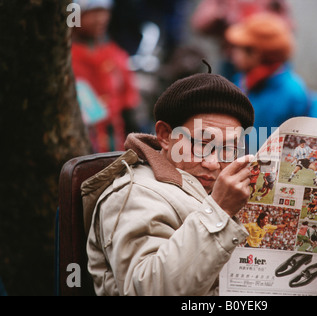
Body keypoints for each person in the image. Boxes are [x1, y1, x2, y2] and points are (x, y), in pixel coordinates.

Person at [83, 69, 256, 296]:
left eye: (229, 149)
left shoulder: (221, 186)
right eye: (202, 144)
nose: (214, 163)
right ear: (165, 135)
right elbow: (150, 290)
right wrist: (220, 210)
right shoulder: (134, 194)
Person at [225, 12, 317, 142]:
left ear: (255, 53)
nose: (232, 54)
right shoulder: (246, 83)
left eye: (237, 48)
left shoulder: (283, 94)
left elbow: (256, 149)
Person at [72, 0, 140, 153]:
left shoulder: (115, 55)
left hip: (116, 141)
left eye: (104, 12)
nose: (100, 18)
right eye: (93, 13)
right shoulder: (67, 58)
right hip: (82, 143)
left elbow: (129, 101)